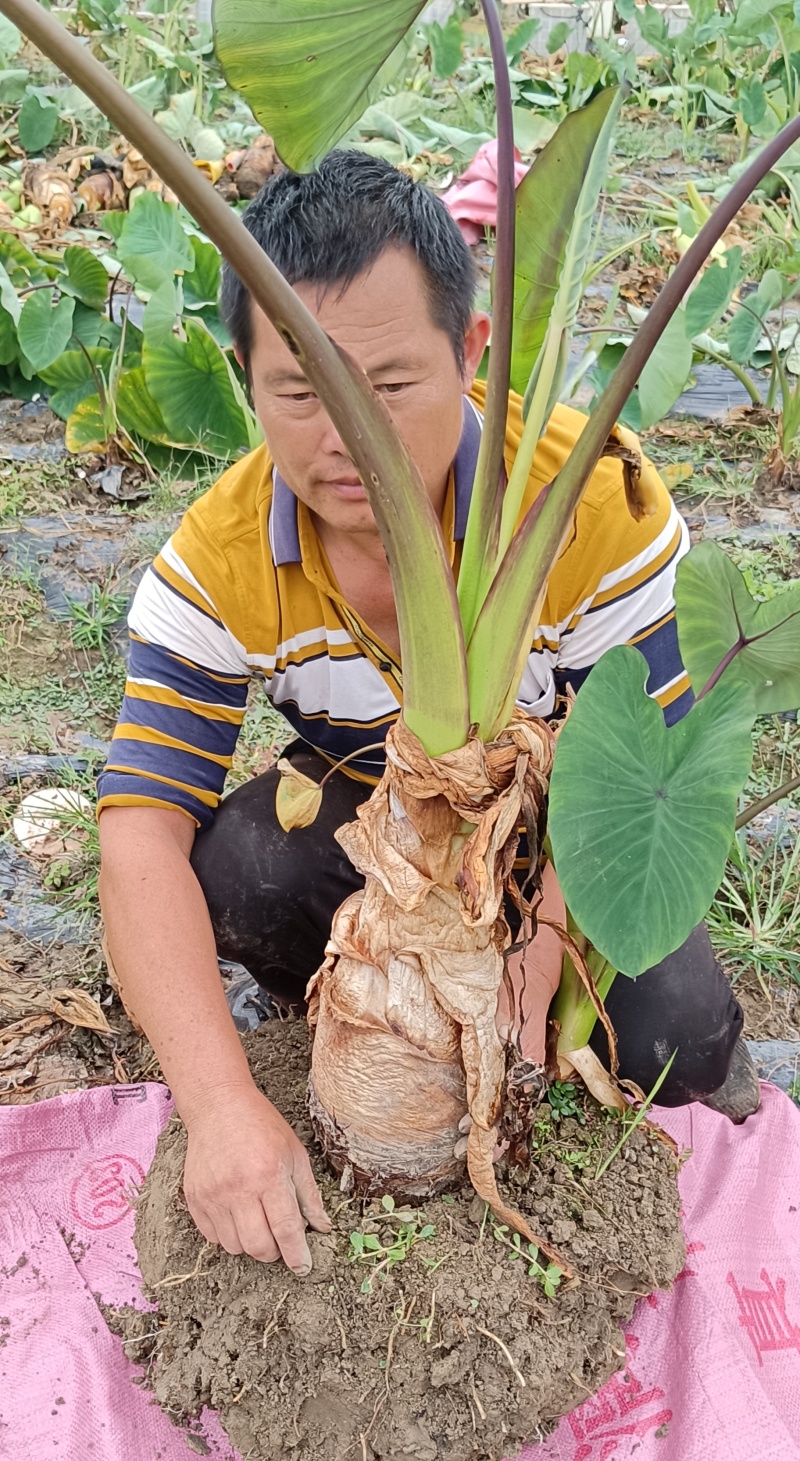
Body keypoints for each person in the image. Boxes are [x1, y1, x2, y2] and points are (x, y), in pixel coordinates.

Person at [97, 150, 759, 1280]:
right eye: (299, 393)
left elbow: (644, 774)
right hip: (380, 836)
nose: (343, 438)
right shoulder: (215, 561)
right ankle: (351, 1010)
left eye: (388, 387)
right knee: (233, 871)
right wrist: (216, 1107)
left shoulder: (587, 501)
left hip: (561, 831)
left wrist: (542, 943)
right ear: (245, 377)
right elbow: (135, 825)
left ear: (470, 354)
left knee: (675, 1041)